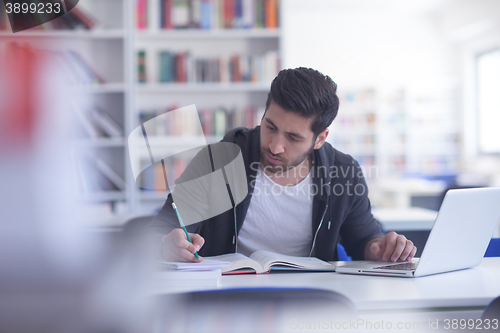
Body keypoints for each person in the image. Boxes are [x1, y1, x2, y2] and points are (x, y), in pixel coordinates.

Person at [148, 67, 417, 263]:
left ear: (320, 139)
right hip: (226, 295)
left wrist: (381, 248)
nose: (275, 146)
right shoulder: (217, 160)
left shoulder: (342, 173)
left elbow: (363, 241)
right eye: (270, 127)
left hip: (311, 299)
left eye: (293, 137)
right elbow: (163, 228)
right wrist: (166, 244)